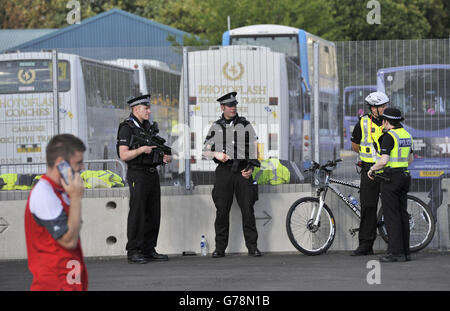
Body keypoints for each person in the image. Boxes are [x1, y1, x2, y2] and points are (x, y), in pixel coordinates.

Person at [24, 134, 88, 291]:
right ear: (61, 163)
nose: (82, 167)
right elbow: (68, 241)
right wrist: (76, 198)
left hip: (69, 280)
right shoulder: (44, 192)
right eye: (78, 163)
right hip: (55, 283)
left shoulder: (63, 189)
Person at [203, 91, 262, 258]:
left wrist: (251, 168)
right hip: (224, 171)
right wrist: (216, 155)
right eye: (229, 105)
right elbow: (205, 151)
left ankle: (252, 247)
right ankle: (219, 248)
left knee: (247, 210)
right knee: (222, 211)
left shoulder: (245, 124)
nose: (233, 108)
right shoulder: (216, 126)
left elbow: (254, 149)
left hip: (243, 170)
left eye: (234, 105)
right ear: (222, 107)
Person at [117, 94, 171, 264]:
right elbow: (123, 154)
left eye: (149, 108)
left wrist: (162, 157)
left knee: (153, 213)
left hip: (151, 173)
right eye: (146, 108)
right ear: (135, 109)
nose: (149, 111)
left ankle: (149, 249)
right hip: (137, 174)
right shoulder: (127, 127)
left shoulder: (147, 127)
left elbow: (153, 148)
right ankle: (134, 250)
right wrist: (142, 150)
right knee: (138, 213)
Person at [367, 107, 413, 262]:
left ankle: (395, 253)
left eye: (383, 122)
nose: (382, 125)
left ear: (387, 121)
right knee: (402, 215)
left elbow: (384, 160)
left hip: (391, 179)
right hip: (405, 176)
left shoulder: (389, 136)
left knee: (391, 216)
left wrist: (372, 169)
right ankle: (405, 252)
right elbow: (410, 160)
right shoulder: (407, 135)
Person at [350, 91, 388, 256]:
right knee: (368, 207)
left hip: (387, 169)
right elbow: (355, 145)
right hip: (368, 170)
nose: (383, 108)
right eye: (380, 106)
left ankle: (395, 244)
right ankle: (365, 245)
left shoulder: (391, 122)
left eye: (383, 105)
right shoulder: (363, 122)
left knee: (390, 207)